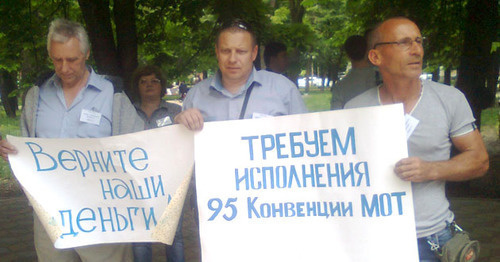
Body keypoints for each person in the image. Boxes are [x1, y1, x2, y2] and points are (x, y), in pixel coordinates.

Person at [344, 17, 489, 261]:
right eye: (403, 42)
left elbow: (480, 161)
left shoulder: (450, 99)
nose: (416, 50)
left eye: (419, 41)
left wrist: (430, 170)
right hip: (375, 237)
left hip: (433, 238)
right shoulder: (355, 108)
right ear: (375, 57)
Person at [0, 18, 143, 261]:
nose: (64, 68)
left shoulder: (113, 95)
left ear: (86, 54)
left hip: (102, 218)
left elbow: (141, 147)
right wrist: (10, 151)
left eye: (72, 59)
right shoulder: (37, 95)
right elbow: (25, 151)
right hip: (51, 216)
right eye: (57, 59)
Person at [174, 19, 307, 131]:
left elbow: (305, 136)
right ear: (217, 52)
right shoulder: (196, 96)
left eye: (241, 51)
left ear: (254, 53)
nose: (232, 59)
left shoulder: (283, 90)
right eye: (226, 51)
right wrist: (179, 125)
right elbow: (181, 151)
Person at [130, 65, 184, 262]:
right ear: (137, 86)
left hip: (170, 182)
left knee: (173, 236)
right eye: (143, 82)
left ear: (162, 85)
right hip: (137, 184)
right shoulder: (128, 112)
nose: (149, 85)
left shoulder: (176, 111)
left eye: (154, 81)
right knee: (140, 236)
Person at [331, 35, 380, 109]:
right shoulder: (384, 78)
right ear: (368, 51)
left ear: (347, 55)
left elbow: (336, 114)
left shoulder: (340, 87)